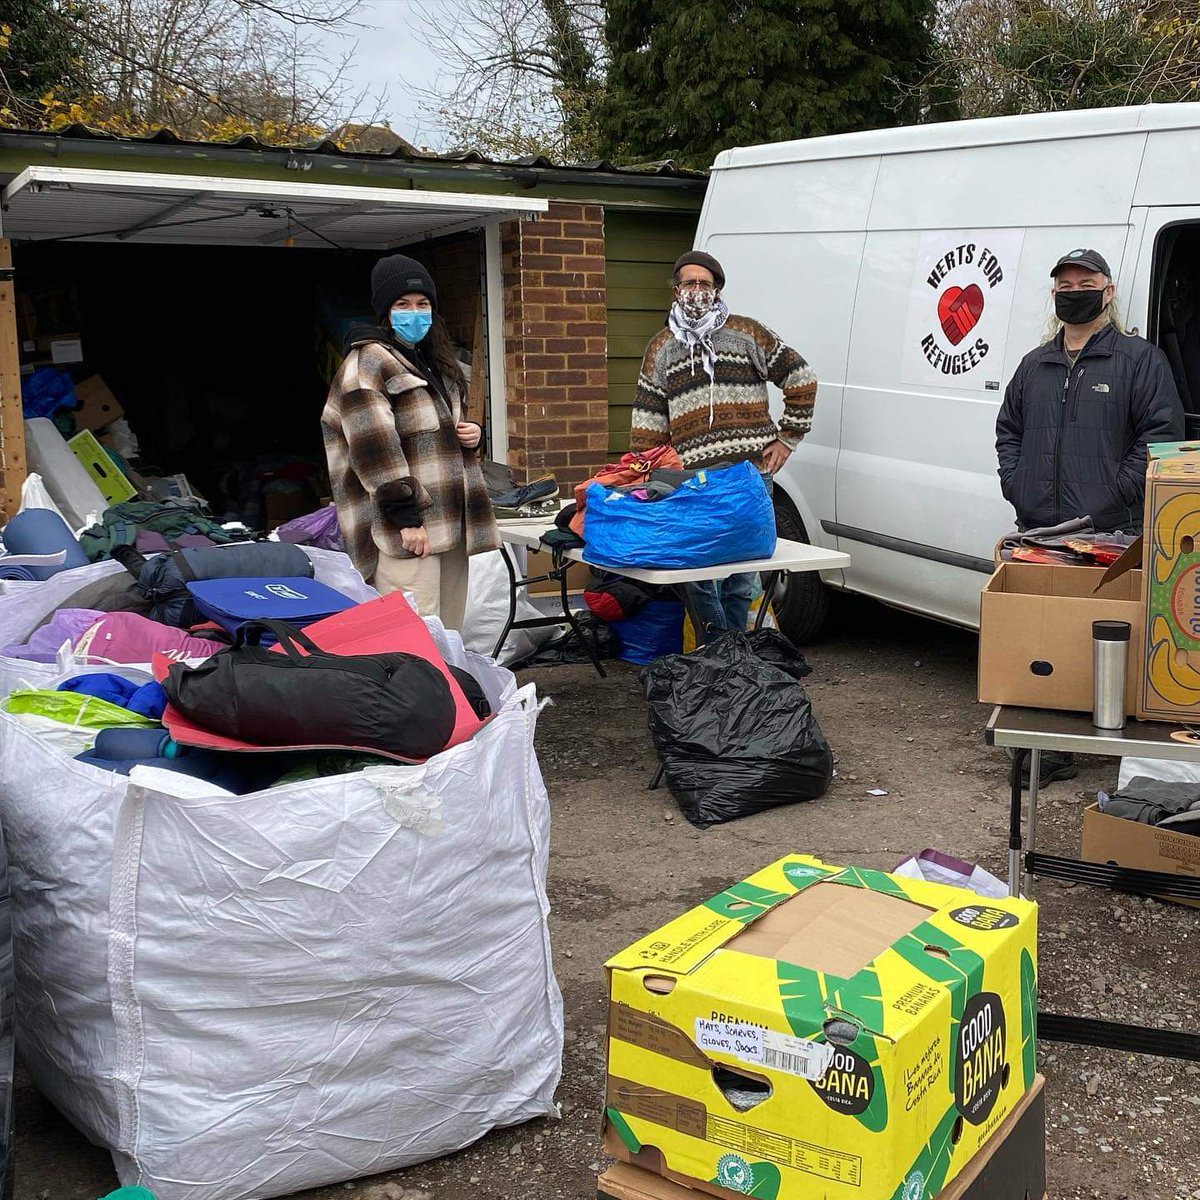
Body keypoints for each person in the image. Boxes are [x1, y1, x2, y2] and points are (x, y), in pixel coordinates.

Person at [996, 247, 1184, 786]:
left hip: (1108, 534)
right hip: (1039, 532)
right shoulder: (1035, 364)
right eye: (1065, 285)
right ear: (1054, 293)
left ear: (1108, 291)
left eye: (1086, 283)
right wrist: (1017, 484)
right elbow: (1009, 431)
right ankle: (1044, 748)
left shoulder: (1139, 360)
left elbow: (1160, 439)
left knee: (1098, 638)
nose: (1074, 292)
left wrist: (1113, 497)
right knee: (1041, 635)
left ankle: (1097, 739)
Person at [629, 250, 818, 634]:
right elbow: (648, 418)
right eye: (689, 283)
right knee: (696, 575)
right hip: (694, 482)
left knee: (742, 577)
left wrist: (787, 439)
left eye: (705, 283)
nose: (697, 290)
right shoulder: (661, 347)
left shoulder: (748, 334)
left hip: (749, 476)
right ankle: (716, 647)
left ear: (717, 290)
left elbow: (802, 378)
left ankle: (738, 653)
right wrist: (648, 474)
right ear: (676, 290)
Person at [322, 254, 499, 631]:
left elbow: (429, 431)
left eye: (423, 304)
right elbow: (373, 447)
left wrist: (471, 434)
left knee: (449, 635)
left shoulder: (431, 362)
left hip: (449, 523)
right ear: (385, 313)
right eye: (402, 305)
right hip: (406, 530)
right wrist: (406, 518)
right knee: (413, 635)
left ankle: (446, 675)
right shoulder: (368, 363)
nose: (414, 313)